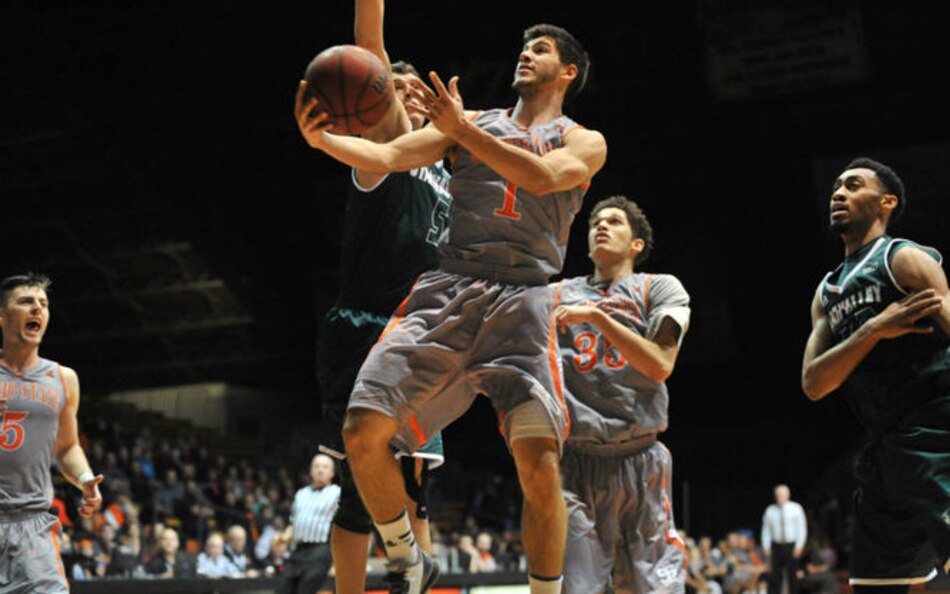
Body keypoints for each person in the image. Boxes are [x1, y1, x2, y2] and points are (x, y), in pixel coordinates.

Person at [296, 19, 606, 594]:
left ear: (568, 72)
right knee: (361, 432)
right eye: (523, 46)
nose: (525, 54)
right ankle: (408, 561)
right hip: (450, 289)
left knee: (540, 465)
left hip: (522, 298)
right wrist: (323, 142)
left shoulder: (583, 140)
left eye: (539, 49)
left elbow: (543, 178)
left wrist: (461, 130)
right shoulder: (472, 123)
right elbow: (390, 153)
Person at [311, 2, 452, 592]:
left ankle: (415, 582)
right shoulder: (382, 149)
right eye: (393, 86)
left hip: (421, 339)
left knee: (418, 489)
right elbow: (368, 44)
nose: (407, 92)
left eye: (414, 86)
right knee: (357, 493)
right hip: (365, 331)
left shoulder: (451, 175)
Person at [801, 157, 950, 591]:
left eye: (853, 185)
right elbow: (814, 384)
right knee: (873, 587)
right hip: (882, 449)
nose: (838, 193)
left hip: (936, 431)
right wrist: (874, 329)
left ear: (886, 202)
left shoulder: (902, 259)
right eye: (835, 186)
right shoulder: (827, 292)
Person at [552, 196, 690, 594]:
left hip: (640, 459)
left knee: (655, 588)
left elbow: (660, 364)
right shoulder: (556, 294)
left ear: (636, 244)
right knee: (577, 588)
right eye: (595, 221)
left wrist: (598, 318)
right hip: (576, 461)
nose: (601, 225)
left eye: (614, 221)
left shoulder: (658, 287)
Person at [0, 272, 104, 592]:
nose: (37, 309)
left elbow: (67, 447)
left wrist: (84, 479)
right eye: (26, 302)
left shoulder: (63, 379)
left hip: (32, 526)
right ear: (2, 316)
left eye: (43, 304)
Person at [278, 453, 340, 594]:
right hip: (298, 549)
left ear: (332, 473)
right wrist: (283, 539)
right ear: (311, 471)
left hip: (320, 548)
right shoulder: (301, 493)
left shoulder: (337, 493)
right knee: (283, 588)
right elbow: (293, 522)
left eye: (325, 467)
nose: (320, 470)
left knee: (305, 590)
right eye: (316, 466)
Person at [761, 484, 807, 594]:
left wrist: (799, 546)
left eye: (782, 495)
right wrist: (766, 546)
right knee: (775, 576)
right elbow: (766, 530)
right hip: (776, 546)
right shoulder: (770, 510)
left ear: (788, 495)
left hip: (791, 545)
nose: (780, 497)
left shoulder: (796, 508)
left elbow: (802, 529)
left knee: (793, 575)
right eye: (778, 495)